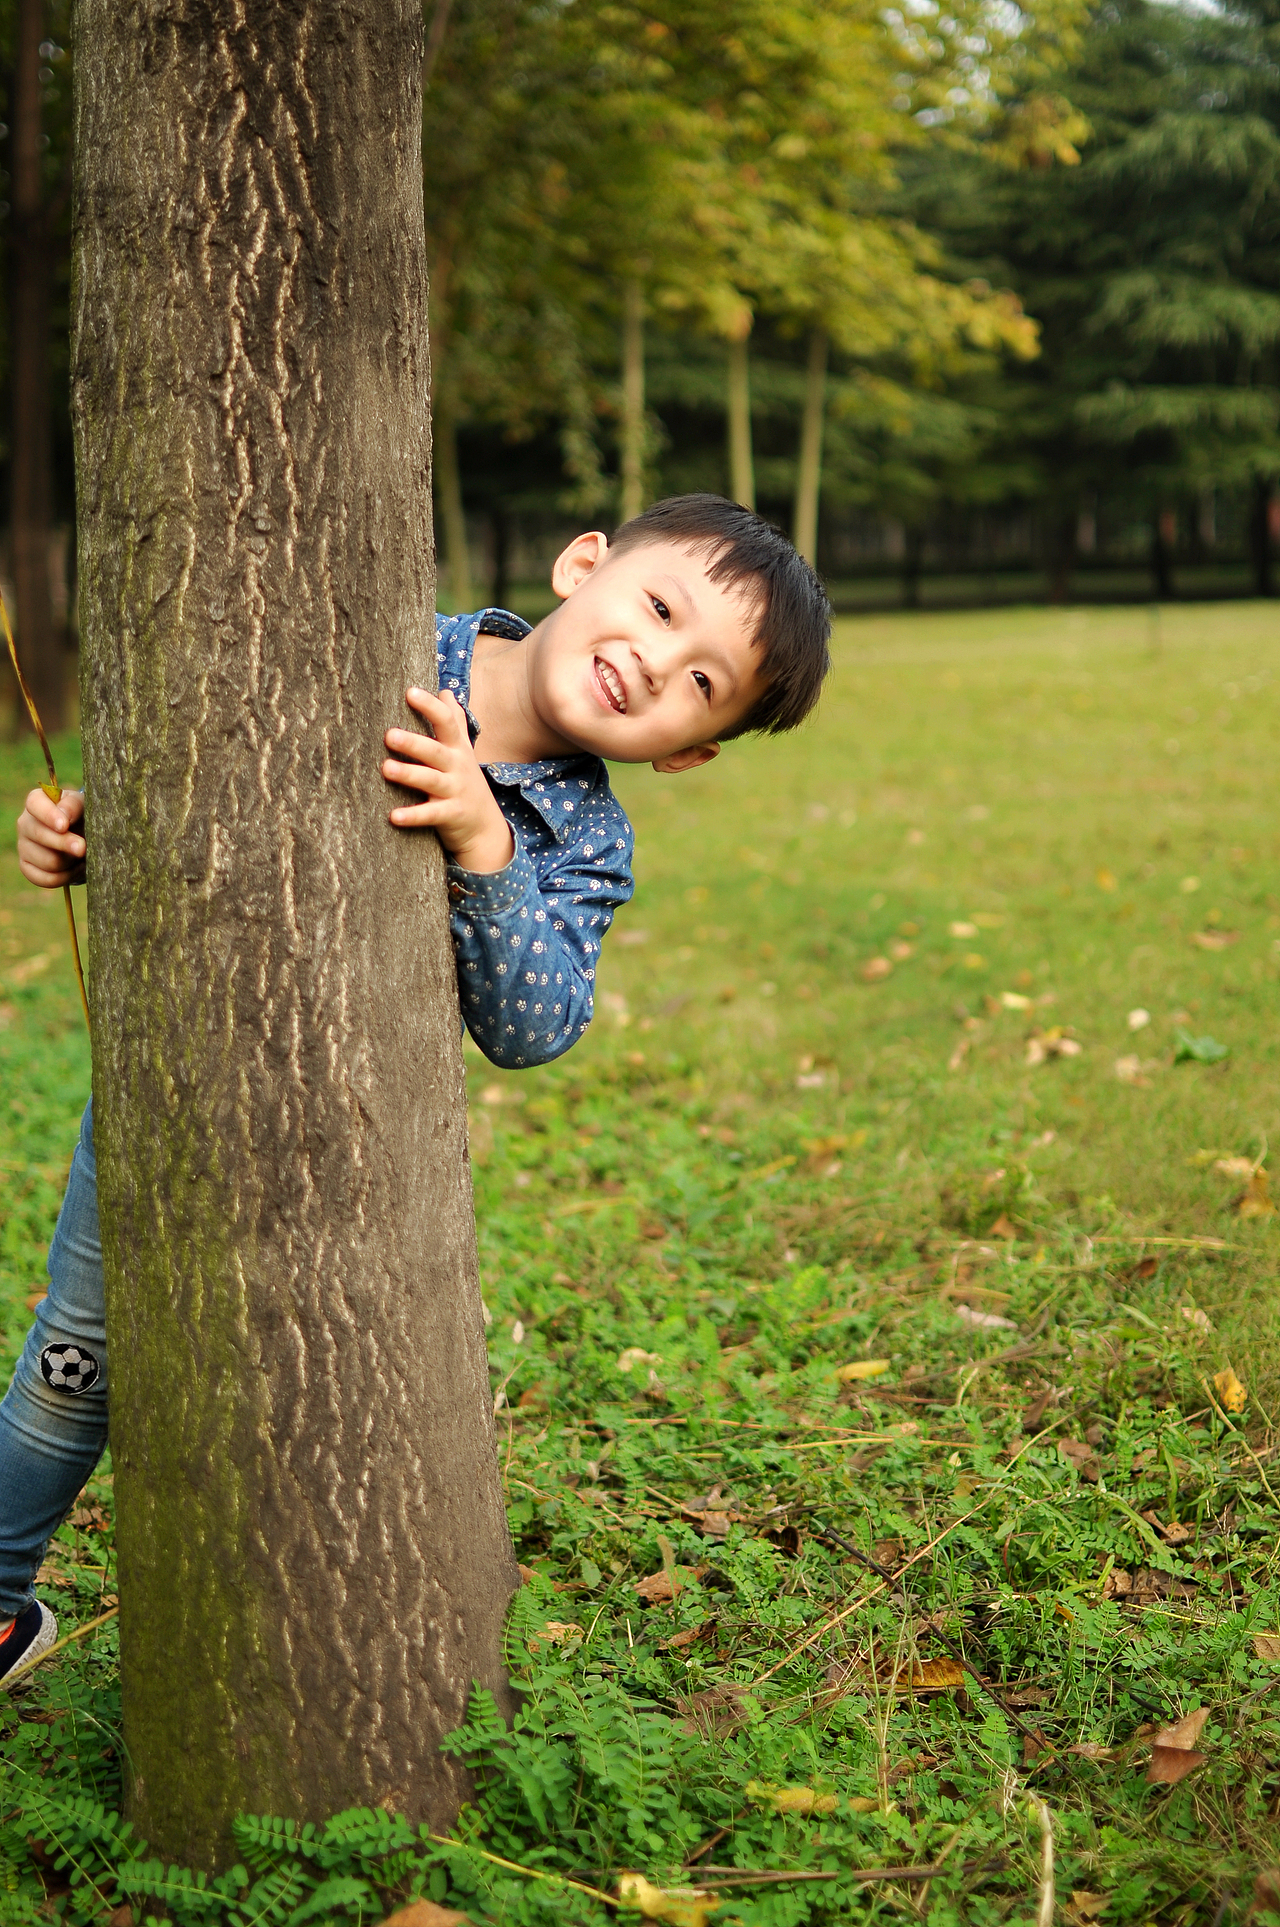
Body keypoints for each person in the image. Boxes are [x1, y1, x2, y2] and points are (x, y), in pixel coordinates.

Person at [1, 493, 830, 1678]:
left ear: (691, 752)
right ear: (581, 562)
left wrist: (485, 846)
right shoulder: (375, 641)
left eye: (703, 684)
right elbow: (221, 784)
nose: (652, 664)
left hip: (344, 1148)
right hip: (178, 1085)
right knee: (73, 1364)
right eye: (657, 607)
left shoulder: (580, 839)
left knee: (285, 1390)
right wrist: (93, 843)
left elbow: (537, 1025)